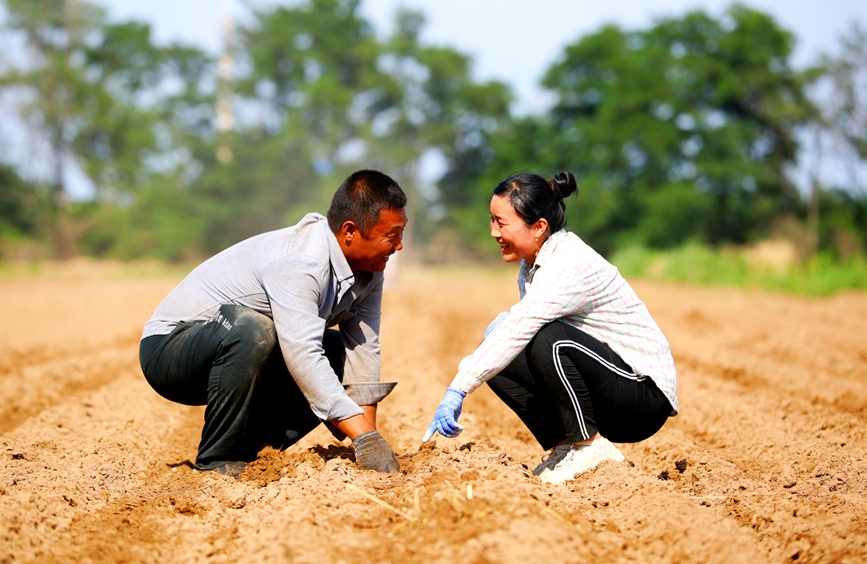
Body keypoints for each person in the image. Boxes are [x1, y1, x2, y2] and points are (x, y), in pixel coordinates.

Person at [140, 170, 407, 477]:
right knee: (254, 330)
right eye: (391, 235)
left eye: (402, 233)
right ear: (349, 231)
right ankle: (218, 459)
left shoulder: (370, 269)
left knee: (334, 349)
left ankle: (257, 452)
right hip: (170, 351)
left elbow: (363, 347)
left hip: (233, 353)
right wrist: (362, 435)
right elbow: (302, 354)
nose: (398, 245)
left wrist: (367, 440)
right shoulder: (300, 263)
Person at [422, 171, 678, 484]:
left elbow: (523, 325)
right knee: (500, 348)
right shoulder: (532, 264)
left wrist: (457, 390)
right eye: (491, 220)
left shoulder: (568, 264)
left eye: (501, 223)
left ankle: (589, 446)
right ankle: (566, 446)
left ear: (540, 227)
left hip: (642, 397)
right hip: (607, 384)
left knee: (540, 336)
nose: (493, 232)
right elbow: (511, 334)